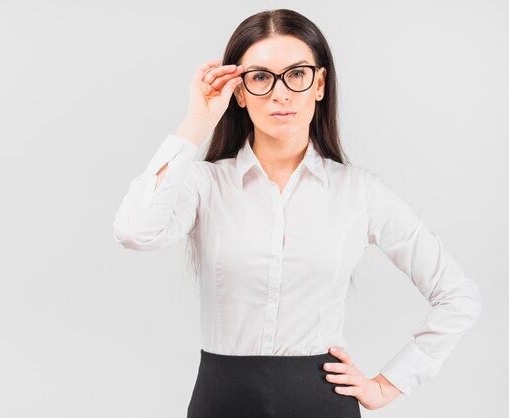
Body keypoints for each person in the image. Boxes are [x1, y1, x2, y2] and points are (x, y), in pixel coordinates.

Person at [113, 8, 483, 417]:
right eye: (259, 77)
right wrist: (197, 121)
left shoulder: (359, 192)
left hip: (321, 405)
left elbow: (458, 297)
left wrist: (389, 384)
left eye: (297, 74)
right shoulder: (205, 185)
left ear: (319, 83)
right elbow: (135, 231)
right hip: (221, 403)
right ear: (239, 92)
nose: (280, 93)